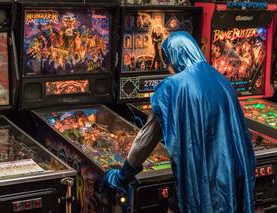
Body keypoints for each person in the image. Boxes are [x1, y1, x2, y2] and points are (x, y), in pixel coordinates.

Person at [101, 31, 256, 213]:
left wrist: (121, 175)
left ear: (175, 57)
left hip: (199, 184)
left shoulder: (173, 87)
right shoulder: (221, 80)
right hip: (230, 176)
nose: (168, 68)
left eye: (167, 62)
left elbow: (146, 139)